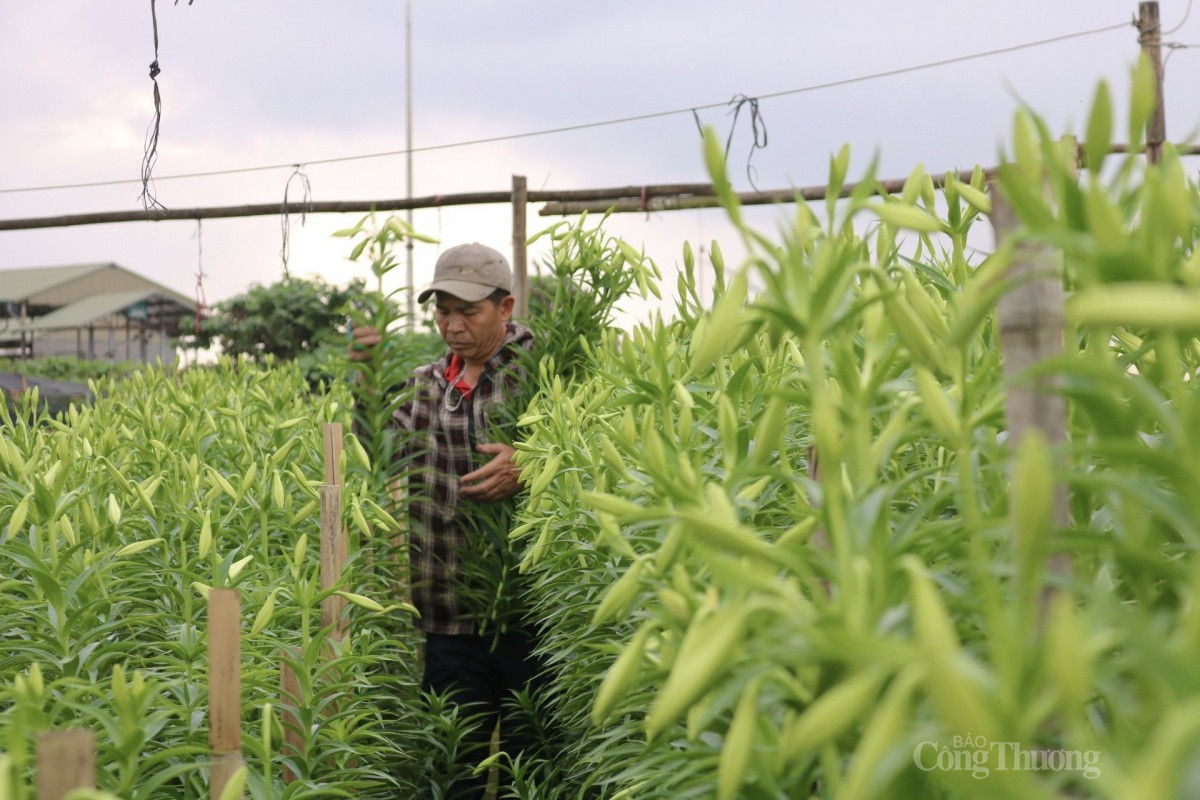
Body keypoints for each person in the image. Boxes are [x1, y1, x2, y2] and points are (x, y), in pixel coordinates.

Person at [348, 242, 550, 798]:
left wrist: (535, 462)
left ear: (505, 308)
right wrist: (367, 378)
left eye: (468, 312)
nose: (452, 326)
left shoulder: (547, 373)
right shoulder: (427, 384)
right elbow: (375, 452)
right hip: (447, 615)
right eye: (442, 312)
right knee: (453, 771)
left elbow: (599, 451)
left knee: (529, 775)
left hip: (528, 616)